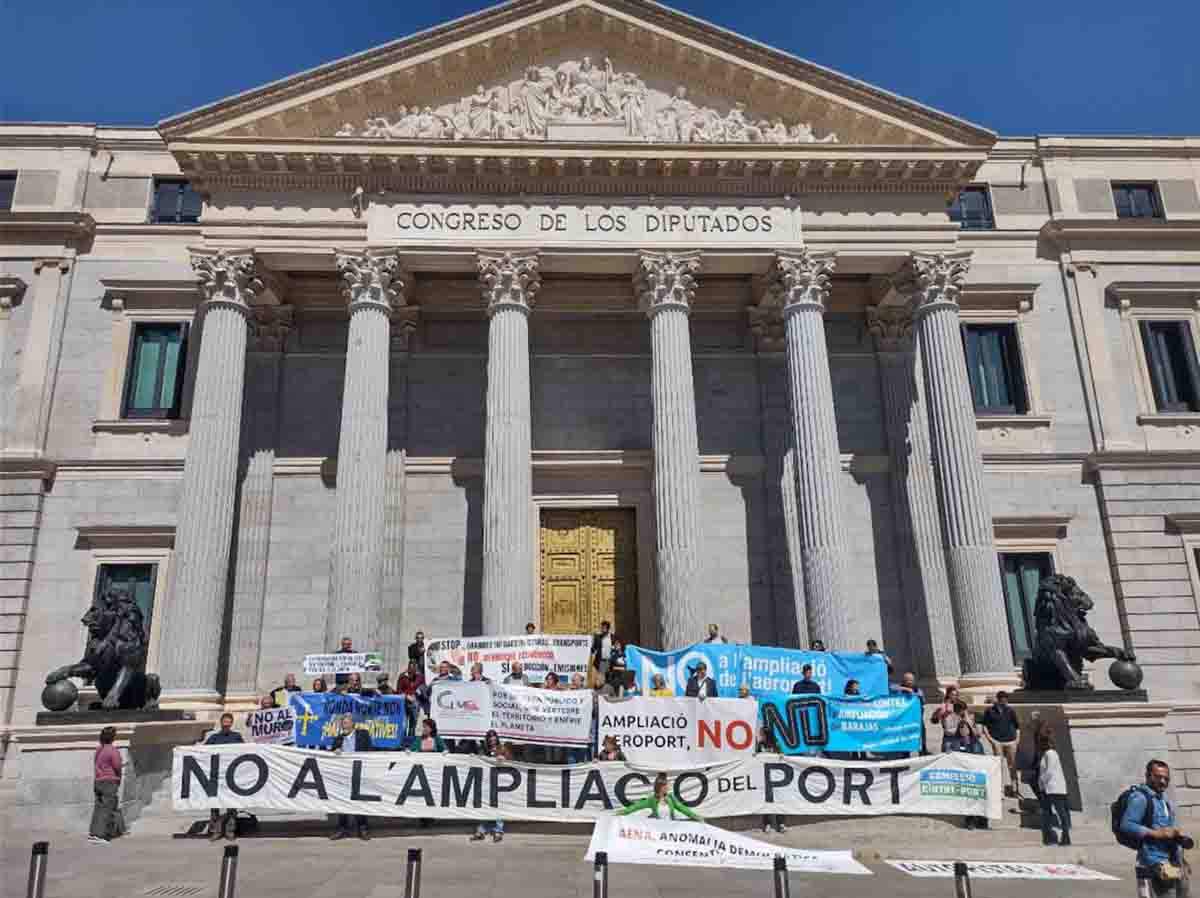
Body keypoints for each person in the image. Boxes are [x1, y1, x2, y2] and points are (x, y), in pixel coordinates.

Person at [1121, 759, 1194, 896]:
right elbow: (1126, 825)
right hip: (1153, 863)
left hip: (1171, 860)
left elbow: (1167, 831)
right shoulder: (1140, 798)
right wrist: (1155, 833)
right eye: (1158, 777)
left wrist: (1181, 858)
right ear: (1148, 776)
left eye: (1166, 778)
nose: (1163, 781)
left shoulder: (1162, 799)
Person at [329, 714, 372, 840]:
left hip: (359, 772)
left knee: (359, 801)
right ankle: (342, 828)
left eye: (346, 723)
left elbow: (370, 750)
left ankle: (362, 828)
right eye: (343, 723)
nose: (344, 725)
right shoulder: (338, 739)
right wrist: (336, 750)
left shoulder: (363, 734)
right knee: (342, 801)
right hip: (344, 774)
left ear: (353, 724)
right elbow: (332, 752)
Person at [204, 713, 245, 841]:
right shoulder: (214, 738)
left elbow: (245, 750)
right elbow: (203, 751)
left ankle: (230, 831)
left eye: (229, 721)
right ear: (221, 723)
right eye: (225, 721)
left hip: (232, 776)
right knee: (215, 804)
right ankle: (216, 831)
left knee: (232, 804)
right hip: (217, 776)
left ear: (231, 723)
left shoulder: (237, 737)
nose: (226, 723)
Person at [946, 718, 989, 831]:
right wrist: (949, 753)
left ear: (969, 729)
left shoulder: (976, 742)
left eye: (965, 728)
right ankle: (970, 821)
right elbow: (952, 757)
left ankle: (982, 820)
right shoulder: (955, 743)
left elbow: (982, 756)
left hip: (977, 775)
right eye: (961, 728)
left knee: (980, 798)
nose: (963, 730)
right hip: (964, 777)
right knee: (968, 800)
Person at [981, 690, 1022, 797]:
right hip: (997, 741)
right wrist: (991, 740)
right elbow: (984, 726)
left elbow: (1017, 726)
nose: (1005, 702)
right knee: (999, 766)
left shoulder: (1010, 710)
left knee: (1012, 766)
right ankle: (1000, 790)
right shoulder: (989, 711)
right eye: (1003, 699)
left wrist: (1017, 740)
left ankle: (1015, 789)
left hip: (1010, 741)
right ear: (998, 699)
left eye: (1006, 699)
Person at [617, 773, 702, 821]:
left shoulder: (671, 798)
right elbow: (635, 807)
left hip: (671, 829)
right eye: (666, 786)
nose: (668, 787)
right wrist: (621, 812)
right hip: (658, 830)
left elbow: (682, 808)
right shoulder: (652, 800)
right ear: (660, 787)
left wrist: (696, 817)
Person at [471, 731, 507, 843]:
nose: (492, 739)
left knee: (498, 807)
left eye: (494, 737)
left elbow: (511, 760)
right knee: (485, 807)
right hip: (486, 783)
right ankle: (481, 830)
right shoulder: (483, 749)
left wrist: (504, 758)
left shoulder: (502, 748)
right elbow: (479, 759)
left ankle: (498, 831)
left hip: (499, 782)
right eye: (490, 737)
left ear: (497, 738)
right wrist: (474, 757)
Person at [1036, 730, 1070, 846]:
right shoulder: (1052, 753)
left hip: (1052, 788)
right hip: (1055, 788)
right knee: (1058, 813)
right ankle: (1063, 837)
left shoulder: (1049, 754)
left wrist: (1041, 782)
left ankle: (1060, 837)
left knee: (1053, 813)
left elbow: (1049, 771)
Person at [89, 726, 122, 844]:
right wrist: (118, 778)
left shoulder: (99, 749)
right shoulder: (112, 750)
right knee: (107, 808)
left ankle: (93, 833)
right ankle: (101, 835)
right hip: (109, 781)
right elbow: (117, 766)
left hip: (98, 781)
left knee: (98, 808)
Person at [757, 725, 787, 834]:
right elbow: (756, 757)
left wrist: (780, 755)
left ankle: (781, 824)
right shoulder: (760, 745)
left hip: (777, 777)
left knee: (780, 800)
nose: (760, 735)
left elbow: (783, 756)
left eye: (762, 734)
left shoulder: (776, 744)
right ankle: (767, 824)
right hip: (764, 777)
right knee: (767, 801)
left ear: (767, 735)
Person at [932, 686, 970, 752]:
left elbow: (966, 717)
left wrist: (963, 720)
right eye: (952, 694)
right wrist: (943, 713)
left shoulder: (961, 704)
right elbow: (934, 720)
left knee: (961, 754)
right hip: (948, 735)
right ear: (948, 695)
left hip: (959, 735)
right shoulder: (943, 706)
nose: (954, 696)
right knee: (946, 756)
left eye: (956, 695)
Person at [397, 662, 424, 741]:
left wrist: (419, 691)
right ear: (408, 668)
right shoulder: (402, 677)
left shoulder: (420, 677)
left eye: (414, 669)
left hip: (415, 703)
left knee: (413, 724)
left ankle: (410, 741)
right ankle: (402, 741)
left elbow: (423, 686)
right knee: (404, 723)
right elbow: (398, 690)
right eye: (410, 669)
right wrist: (406, 696)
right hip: (404, 702)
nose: (412, 671)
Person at [592, 621, 613, 687]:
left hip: (611, 661)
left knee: (609, 678)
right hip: (602, 661)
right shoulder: (598, 637)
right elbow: (593, 649)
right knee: (601, 678)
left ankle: (609, 691)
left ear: (608, 629)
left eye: (604, 628)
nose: (603, 629)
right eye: (602, 628)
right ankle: (600, 691)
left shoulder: (613, 637)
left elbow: (616, 647)